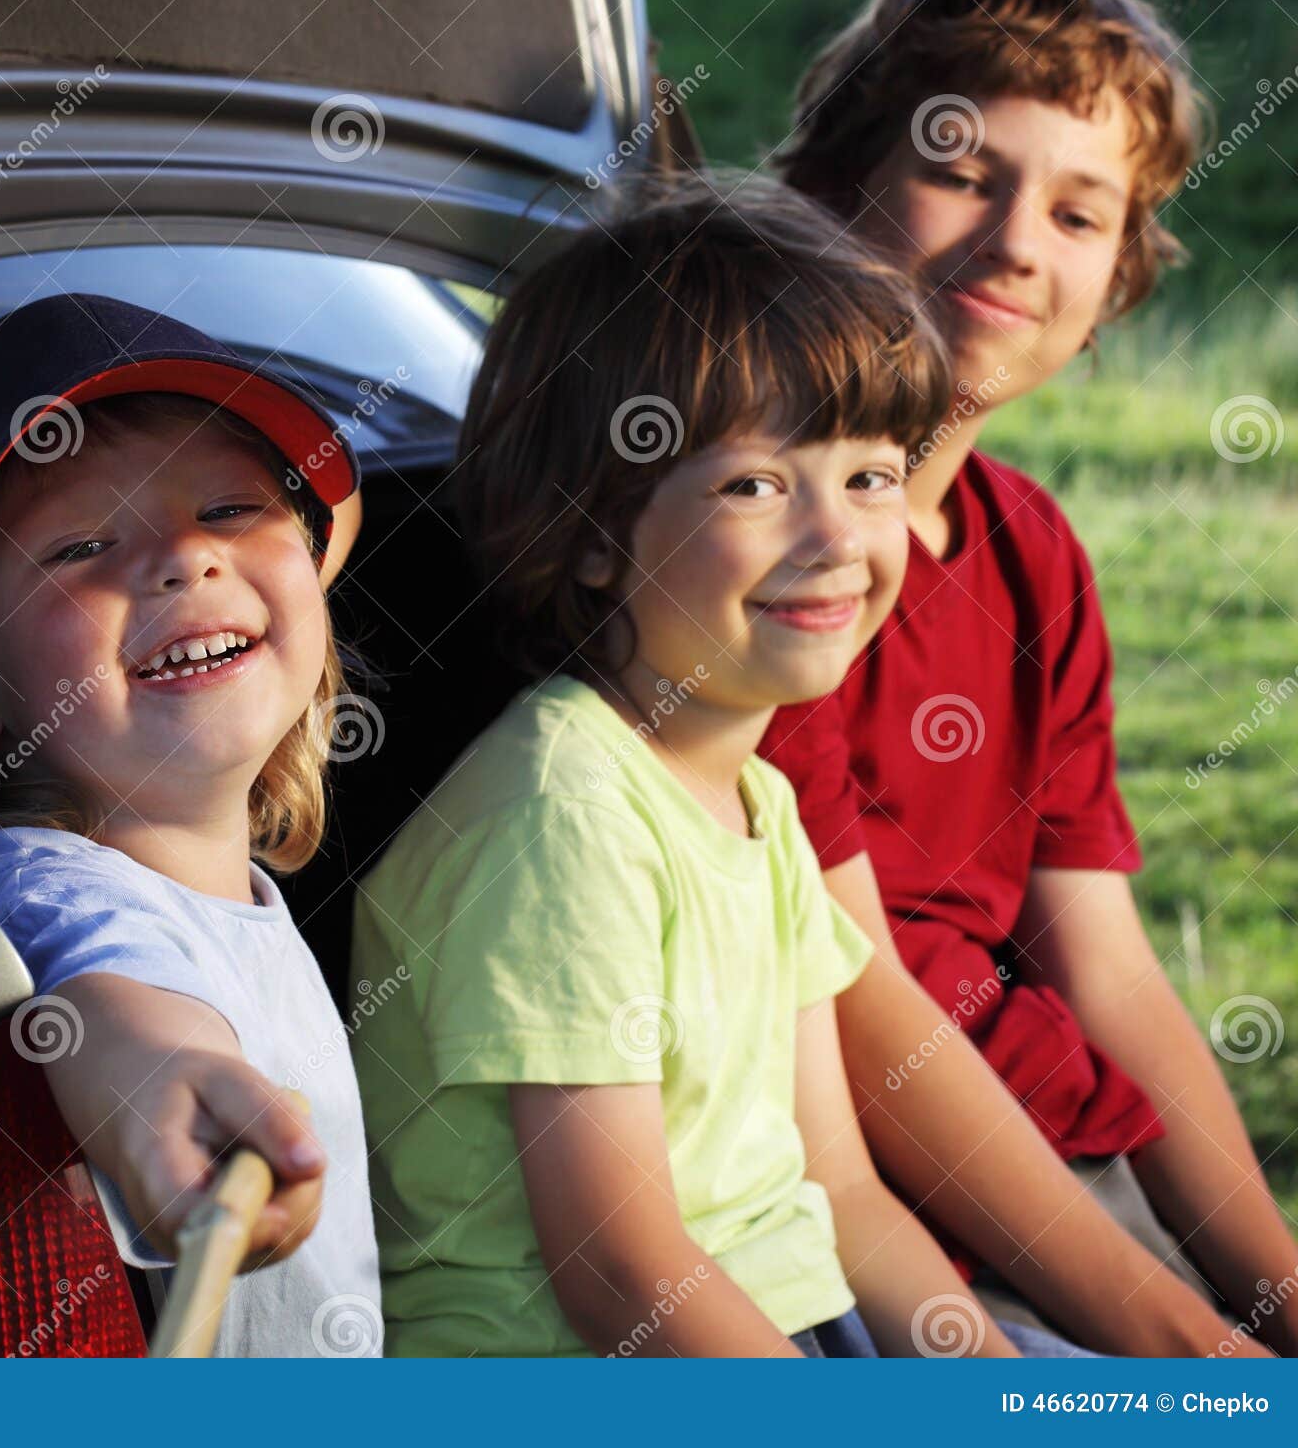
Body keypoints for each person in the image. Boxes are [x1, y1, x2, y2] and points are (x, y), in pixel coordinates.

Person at [349, 178, 1085, 1357]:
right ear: (592, 534)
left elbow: (840, 1193)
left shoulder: (757, 800)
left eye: (871, 475)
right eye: (755, 484)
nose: (838, 536)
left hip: (790, 1326)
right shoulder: (561, 818)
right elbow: (620, 1267)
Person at [759, 0, 1298, 1355]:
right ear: (831, 188)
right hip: (858, 1218)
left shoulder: (1030, 553)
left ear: (1119, 276)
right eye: (962, 170)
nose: (1013, 242)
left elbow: (1106, 970)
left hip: (1057, 1162)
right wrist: (1181, 1345)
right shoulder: (763, 552)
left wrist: (1273, 1300)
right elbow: (859, 1010)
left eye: (1079, 212)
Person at [0, 292, 381, 1357]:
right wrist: (161, 1092)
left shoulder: (231, 893)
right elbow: (108, 998)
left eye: (232, 510)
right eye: (83, 543)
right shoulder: (37, 884)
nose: (185, 560)